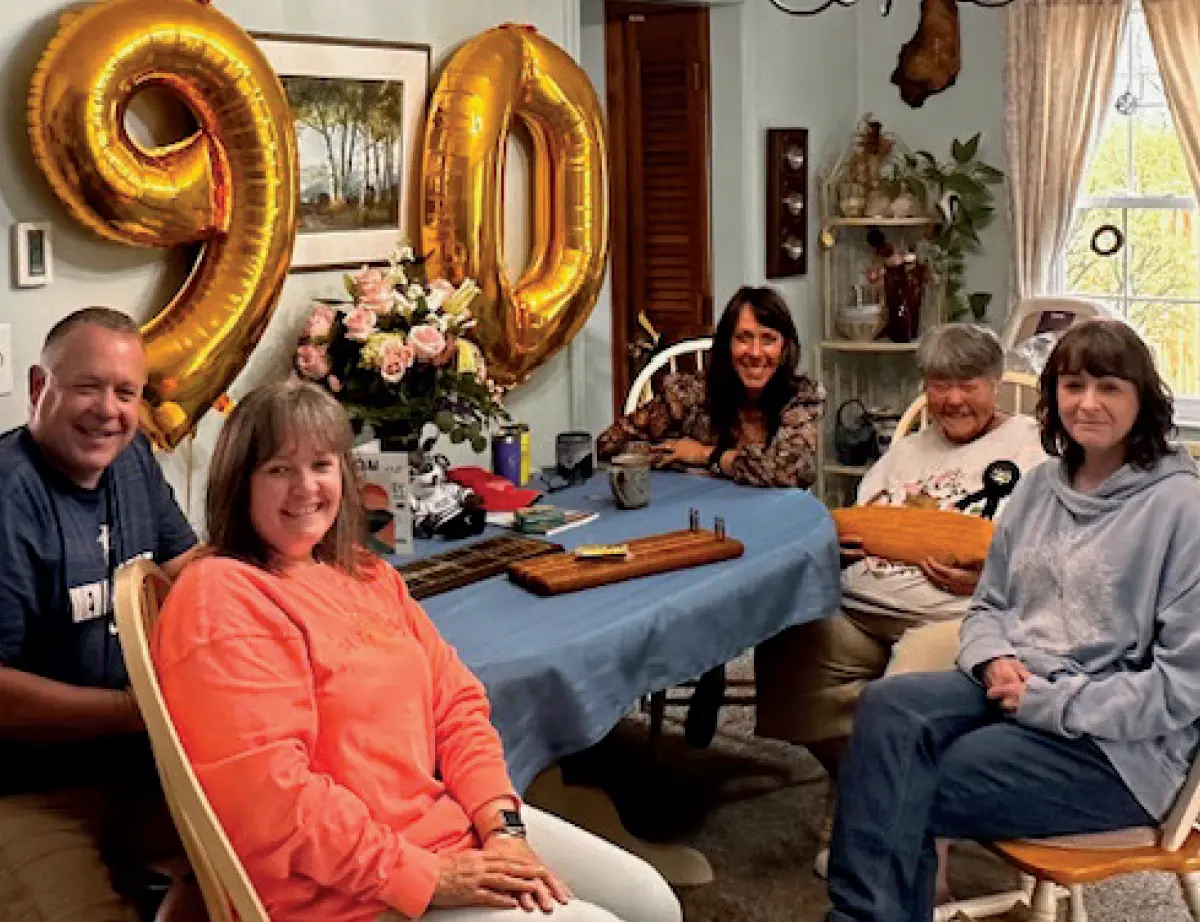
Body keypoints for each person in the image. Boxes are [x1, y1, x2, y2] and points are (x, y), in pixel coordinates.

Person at [153, 379, 683, 922]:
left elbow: (457, 708)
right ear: (238, 483)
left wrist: (502, 828)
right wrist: (424, 876)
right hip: (342, 895)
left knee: (652, 904)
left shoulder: (364, 572)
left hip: (441, 836)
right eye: (278, 469)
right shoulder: (220, 594)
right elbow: (276, 800)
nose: (305, 488)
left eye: (321, 465)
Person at [824, 319, 1200, 922]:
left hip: (1118, 749)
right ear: (1052, 395)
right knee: (886, 708)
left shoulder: (1182, 509)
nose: (1088, 403)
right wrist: (994, 658)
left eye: (1109, 387)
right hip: (1015, 687)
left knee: (907, 780)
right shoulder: (1039, 487)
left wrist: (1047, 702)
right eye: (1073, 385)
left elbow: (1181, 690)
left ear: (1143, 399)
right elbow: (990, 605)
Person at [756, 323, 1046, 775]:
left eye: (968, 385)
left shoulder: (1034, 447)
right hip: (859, 606)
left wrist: (991, 577)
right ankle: (866, 784)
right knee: (789, 641)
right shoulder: (907, 449)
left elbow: (1056, 553)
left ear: (996, 383)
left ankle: (892, 802)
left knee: (902, 699)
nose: (952, 400)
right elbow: (864, 514)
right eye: (939, 385)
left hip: (959, 615)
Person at [0, 308, 202, 922]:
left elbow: (186, 569)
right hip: (28, 792)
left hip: (142, 768)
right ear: (41, 388)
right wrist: (138, 713)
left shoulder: (133, 458)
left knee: (278, 867)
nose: (109, 411)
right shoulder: (9, 500)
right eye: (88, 387)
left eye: (126, 393)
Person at [598, 285, 824, 489]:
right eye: (744, 338)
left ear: (785, 349)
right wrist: (675, 457)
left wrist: (705, 455)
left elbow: (783, 471)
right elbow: (609, 444)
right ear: (727, 344)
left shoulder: (802, 399)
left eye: (768, 340)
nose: (755, 353)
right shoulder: (688, 393)